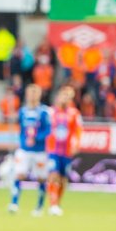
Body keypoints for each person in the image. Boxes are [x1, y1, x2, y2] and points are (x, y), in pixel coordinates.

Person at [9, 84, 52, 216]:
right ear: (27, 95)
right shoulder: (22, 111)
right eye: (30, 93)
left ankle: (39, 207)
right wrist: (23, 142)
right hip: (24, 150)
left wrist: (37, 138)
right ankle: (14, 203)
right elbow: (21, 130)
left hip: (39, 151)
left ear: (39, 95)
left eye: (35, 93)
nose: (33, 96)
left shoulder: (45, 111)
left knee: (41, 178)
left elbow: (48, 130)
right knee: (19, 174)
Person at [46, 86, 83, 216]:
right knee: (53, 175)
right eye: (63, 95)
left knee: (63, 179)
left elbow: (78, 131)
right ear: (58, 96)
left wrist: (76, 144)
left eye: (68, 96)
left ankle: (57, 203)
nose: (65, 98)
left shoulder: (74, 113)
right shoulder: (50, 112)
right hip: (53, 150)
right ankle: (53, 204)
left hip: (66, 151)